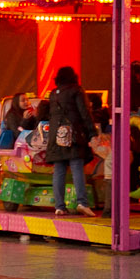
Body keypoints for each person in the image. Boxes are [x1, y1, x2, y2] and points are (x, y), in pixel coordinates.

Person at [45, 66, 96, 218]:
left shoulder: (53, 94)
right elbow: (84, 113)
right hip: (73, 134)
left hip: (56, 136)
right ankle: (82, 203)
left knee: (59, 170)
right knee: (76, 168)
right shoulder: (76, 90)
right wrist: (92, 132)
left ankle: (59, 207)